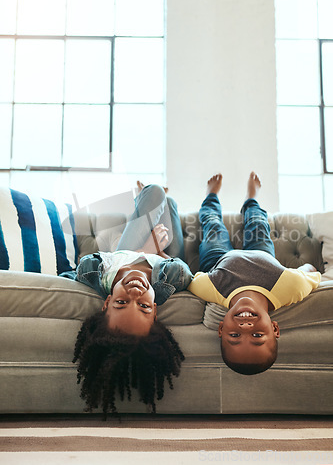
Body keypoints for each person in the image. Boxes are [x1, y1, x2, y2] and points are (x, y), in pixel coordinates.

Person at [67, 182, 193, 417]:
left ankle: (146, 200)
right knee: (170, 205)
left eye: (121, 303)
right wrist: (155, 252)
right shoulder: (171, 279)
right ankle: (156, 205)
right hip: (164, 256)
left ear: (106, 304)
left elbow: (85, 263)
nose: (134, 294)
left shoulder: (92, 271)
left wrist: (147, 248)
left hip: (124, 254)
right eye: (143, 306)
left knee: (155, 192)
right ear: (155, 311)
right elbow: (182, 269)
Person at [188, 172, 321, 375]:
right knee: (259, 222)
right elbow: (311, 272)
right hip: (261, 253)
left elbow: (189, 279)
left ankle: (211, 195)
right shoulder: (291, 288)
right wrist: (306, 271)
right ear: (275, 329)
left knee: (212, 224)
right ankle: (252, 198)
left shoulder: (211, 289)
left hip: (217, 260)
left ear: (221, 329)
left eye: (234, 335)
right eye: (257, 335)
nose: (246, 326)